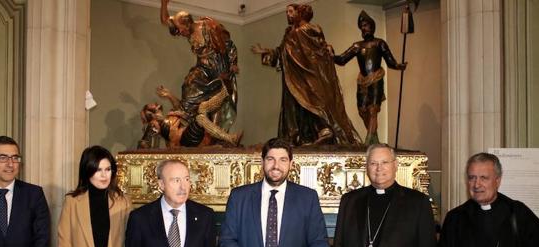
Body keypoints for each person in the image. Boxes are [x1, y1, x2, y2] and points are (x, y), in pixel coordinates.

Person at [251, 4, 362, 146]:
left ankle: (324, 130)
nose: (288, 15)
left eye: (291, 11)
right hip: (293, 77)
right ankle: (301, 137)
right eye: (286, 12)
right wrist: (266, 52)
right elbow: (282, 53)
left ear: (299, 13)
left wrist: (327, 50)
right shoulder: (289, 33)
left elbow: (320, 50)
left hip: (309, 74)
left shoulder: (308, 30)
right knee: (297, 107)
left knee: (312, 101)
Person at [158, 0, 240, 146]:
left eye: (182, 29)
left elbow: (229, 44)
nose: (181, 33)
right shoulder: (184, 29)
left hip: (219, 69)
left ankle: (217, 135)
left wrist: (233, 63)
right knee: (189, 83)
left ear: (188, 23)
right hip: (202, 68)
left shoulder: (209, 27)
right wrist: (164, 3)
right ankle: (187, 115)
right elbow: (165, 20)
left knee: (218, 105)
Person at [333, 11, 407, 146]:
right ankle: (374, 139)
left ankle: (368, 141)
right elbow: (343, 59)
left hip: (376, 78)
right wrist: (331, 56)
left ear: (372, 27)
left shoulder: (380, 43)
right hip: (362, 81)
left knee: (373, 109)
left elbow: (390, 61)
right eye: (361, 26)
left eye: (366, 25)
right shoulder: (357, 46)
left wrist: (398, 66)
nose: (363, 28)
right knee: (362, 111)